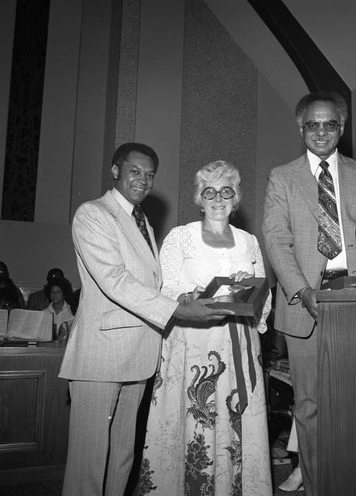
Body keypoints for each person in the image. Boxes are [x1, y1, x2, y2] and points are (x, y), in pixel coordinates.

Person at [58, 143, 233, 496]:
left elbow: (150, 285)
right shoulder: (93, 214)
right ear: (115, 171)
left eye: (150, 174)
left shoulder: (143, 223)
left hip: (138, 355)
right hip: (100, 356)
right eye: (135, 171)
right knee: (88, 464)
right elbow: (115, 281)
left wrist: (184, 298)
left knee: (123, 456)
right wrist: (179, 311)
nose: (143, 180)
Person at [262, 91, 356, 496]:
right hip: (307, 302)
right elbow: (276, 240)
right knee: (311, 405)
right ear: (301, 127)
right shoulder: (282, 177)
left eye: (330, 124)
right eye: (313, 124)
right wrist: (303, 291)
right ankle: (318, 486)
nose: (322, 131)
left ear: (342, 127)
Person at [135, 160, 273, 496]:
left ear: (236, 197)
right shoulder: (181, 237)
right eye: (209, 191)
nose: (217, 198)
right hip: (192, 346)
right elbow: (162, 291)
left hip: (238, 345)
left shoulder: (248, 242)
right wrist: (187, 296)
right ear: (199, 198)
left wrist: (250, 289)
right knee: (191, 422)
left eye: (226, 191)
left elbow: (264, 299)